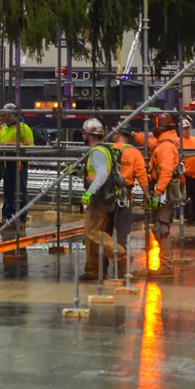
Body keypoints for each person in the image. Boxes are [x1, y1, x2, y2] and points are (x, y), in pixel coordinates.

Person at [80, 117, 127, 279]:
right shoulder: (104, 149)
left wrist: (89, 192)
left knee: (92, 232)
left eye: (84, 134)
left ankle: (121, 255)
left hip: (98, 199)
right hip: (104, 197)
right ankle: (92, 271)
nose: (83, 136)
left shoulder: (97, 151)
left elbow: (101, 175)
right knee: (92, 237)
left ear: (89, 135)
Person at [0, 103, 35, 224]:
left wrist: (15, 148)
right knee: (7, 191)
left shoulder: (23, 128)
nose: (1, 118)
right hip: (5, 164)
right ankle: (10, 215)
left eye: (4, 115)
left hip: (18, 164)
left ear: (11, 116)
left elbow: (30, 148)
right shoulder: (4, 129)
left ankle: (21, 216)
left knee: (20, 191)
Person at [111, 128, 150, 251]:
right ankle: (120, 257)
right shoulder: (134, 153)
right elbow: (142, 176)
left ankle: (102, 262)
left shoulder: (107, 149)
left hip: (106, 192)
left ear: (117, 134)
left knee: (104, 228)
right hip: (124, 193)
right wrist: (147, 195)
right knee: (123, 227)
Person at [148, 112, 182, 243]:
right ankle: (165, 262)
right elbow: (151, 145)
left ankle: (166, 263)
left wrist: (158, 192)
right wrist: (134, 135)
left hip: (164, 192)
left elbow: (166, 171)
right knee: (161, 226)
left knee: (161, 229)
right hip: (164, 190)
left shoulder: (165, 146)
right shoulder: (164, 142)